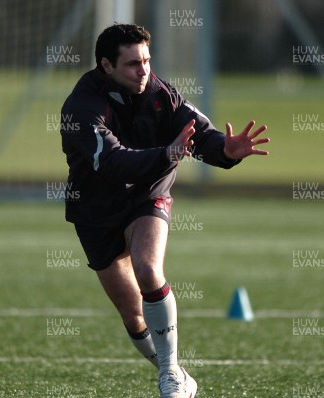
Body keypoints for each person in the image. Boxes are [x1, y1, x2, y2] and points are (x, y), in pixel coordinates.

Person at [60, 23, 270, 398]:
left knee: (147, 268)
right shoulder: (81, 107)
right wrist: (167, 153)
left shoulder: (161, 94)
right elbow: (111, 162)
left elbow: (199, 135)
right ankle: (177, 374)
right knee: (132, 315)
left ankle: (170, 376)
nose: (143, 71)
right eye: (132, 64)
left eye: (146, 60)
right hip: (95, 209)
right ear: (106, 65)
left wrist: (225, 150)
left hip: (147, 195)